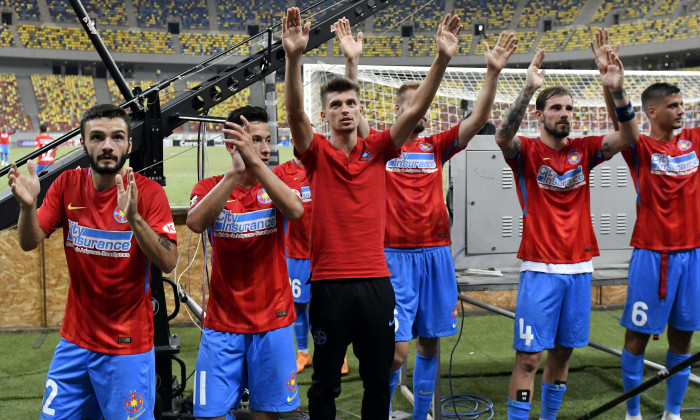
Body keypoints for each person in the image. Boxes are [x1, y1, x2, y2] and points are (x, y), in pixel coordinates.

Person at [282, 6, 462, 418]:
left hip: (378, 284)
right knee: (325, 382)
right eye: (336, 105)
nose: (345, 109)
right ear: (325, 114)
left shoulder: (378, 149)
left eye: (351, 103)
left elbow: (414, 112)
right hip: (328, 285)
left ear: (360, 110)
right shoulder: (316, 154)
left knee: (377, 380)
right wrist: (294, 57)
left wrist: (442, 59)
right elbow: (294, 115)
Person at [494, 41, 638, 419]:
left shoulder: (585, 149)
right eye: (556, 108)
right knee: (528, 360)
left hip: (579, 269)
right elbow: (501, 138)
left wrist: (616, 88)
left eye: (569, 108)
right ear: (540, 115)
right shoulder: (525, 151)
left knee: (562, 354)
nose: (564, 114)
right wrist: (527, 89)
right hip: (539, 270)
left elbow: (628, 138)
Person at [8, 104, 178, 420]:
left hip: (127, 345)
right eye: (97, 137)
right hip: (75, 341)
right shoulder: (66, 185)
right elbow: (29, 241)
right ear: (84, 144)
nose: (107, 146)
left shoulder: (149, 194)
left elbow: (168, 261)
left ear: (129, 144)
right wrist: (27, 207)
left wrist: (134, 218)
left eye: (117, 137)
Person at [384, 32, 516, 419]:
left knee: (429, 343)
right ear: (398, 110)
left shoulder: (436, 145)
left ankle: (423, 413)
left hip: (436, 254)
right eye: (413, 104)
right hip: (394, 256)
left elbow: (478, 119)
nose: (421, 111)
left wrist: (492, 73)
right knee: (395, 350)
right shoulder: (382, 146)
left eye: (425, 104)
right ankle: (385, 408)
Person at [186, 106, 304, 420]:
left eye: (268, 141)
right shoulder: (209, 186)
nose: (266, 149)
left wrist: (256, 166)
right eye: (256, 141)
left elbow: (295, 210)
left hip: (273, 320)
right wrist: (235, 173)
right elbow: (196, 222)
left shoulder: (277, 184)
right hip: (223, 322)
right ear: (232, 145)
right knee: (208, 414)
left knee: (266, 414)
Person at [615, 81, 699, 420]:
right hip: (652, 255)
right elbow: (621, 120)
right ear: (652, 112)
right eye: (674, 105)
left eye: (682, 105)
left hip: (692, 255)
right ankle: (632, 413)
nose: (682, 110)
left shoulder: (694, 142)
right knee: (636, 338)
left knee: (683, 339)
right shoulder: (639, 147)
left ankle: (672, 413)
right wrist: (615, 88)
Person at [287, 17, 364, 376]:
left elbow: (357, 133)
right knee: (301, 307)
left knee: (331, 307)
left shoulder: (328, 158)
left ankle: (340, 351)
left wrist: (352, 64)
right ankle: (303, 351)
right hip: (297, 253)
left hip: (331, 256)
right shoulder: (285, 172)